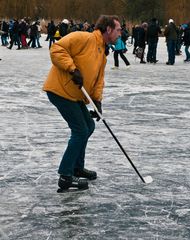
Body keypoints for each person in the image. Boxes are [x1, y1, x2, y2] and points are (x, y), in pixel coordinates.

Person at [43, 15, 122, 190]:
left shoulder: (102, 50)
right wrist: (72, 69)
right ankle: (65, 175)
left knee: (89, 126)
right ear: (108, 29)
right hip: (61, 90)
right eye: (118, 30)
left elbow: (98, 79)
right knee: (80, 130)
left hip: (75, 95)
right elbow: (57, 49)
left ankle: (77, 167)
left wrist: (97, 101)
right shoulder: (83, 37)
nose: (120, 34)